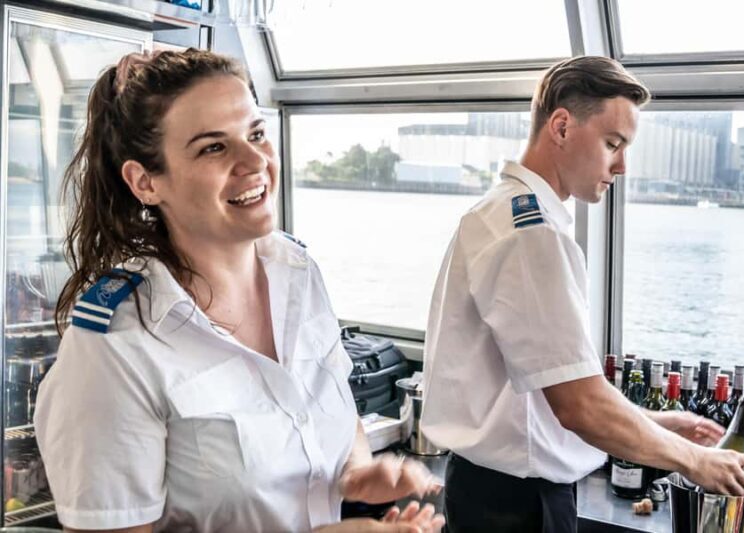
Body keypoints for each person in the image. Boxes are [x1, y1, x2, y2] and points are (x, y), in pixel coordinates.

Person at [33, 49, 444, 533]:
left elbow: (326, 404)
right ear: (145, 182)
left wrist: (354, 472)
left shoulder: (297, 272)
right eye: (213, 147)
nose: (254, 162)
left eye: (256, 134)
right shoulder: (113, 347)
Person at [420, 56, 744, 532]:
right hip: (520, 507)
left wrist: (657, 423)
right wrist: (694, 460)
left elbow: (549, 394)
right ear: (561, 127)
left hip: (490, 491)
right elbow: (578, 405)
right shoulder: (532, 234)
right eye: (612, 144)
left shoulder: (502, 212)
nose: (622, 166)